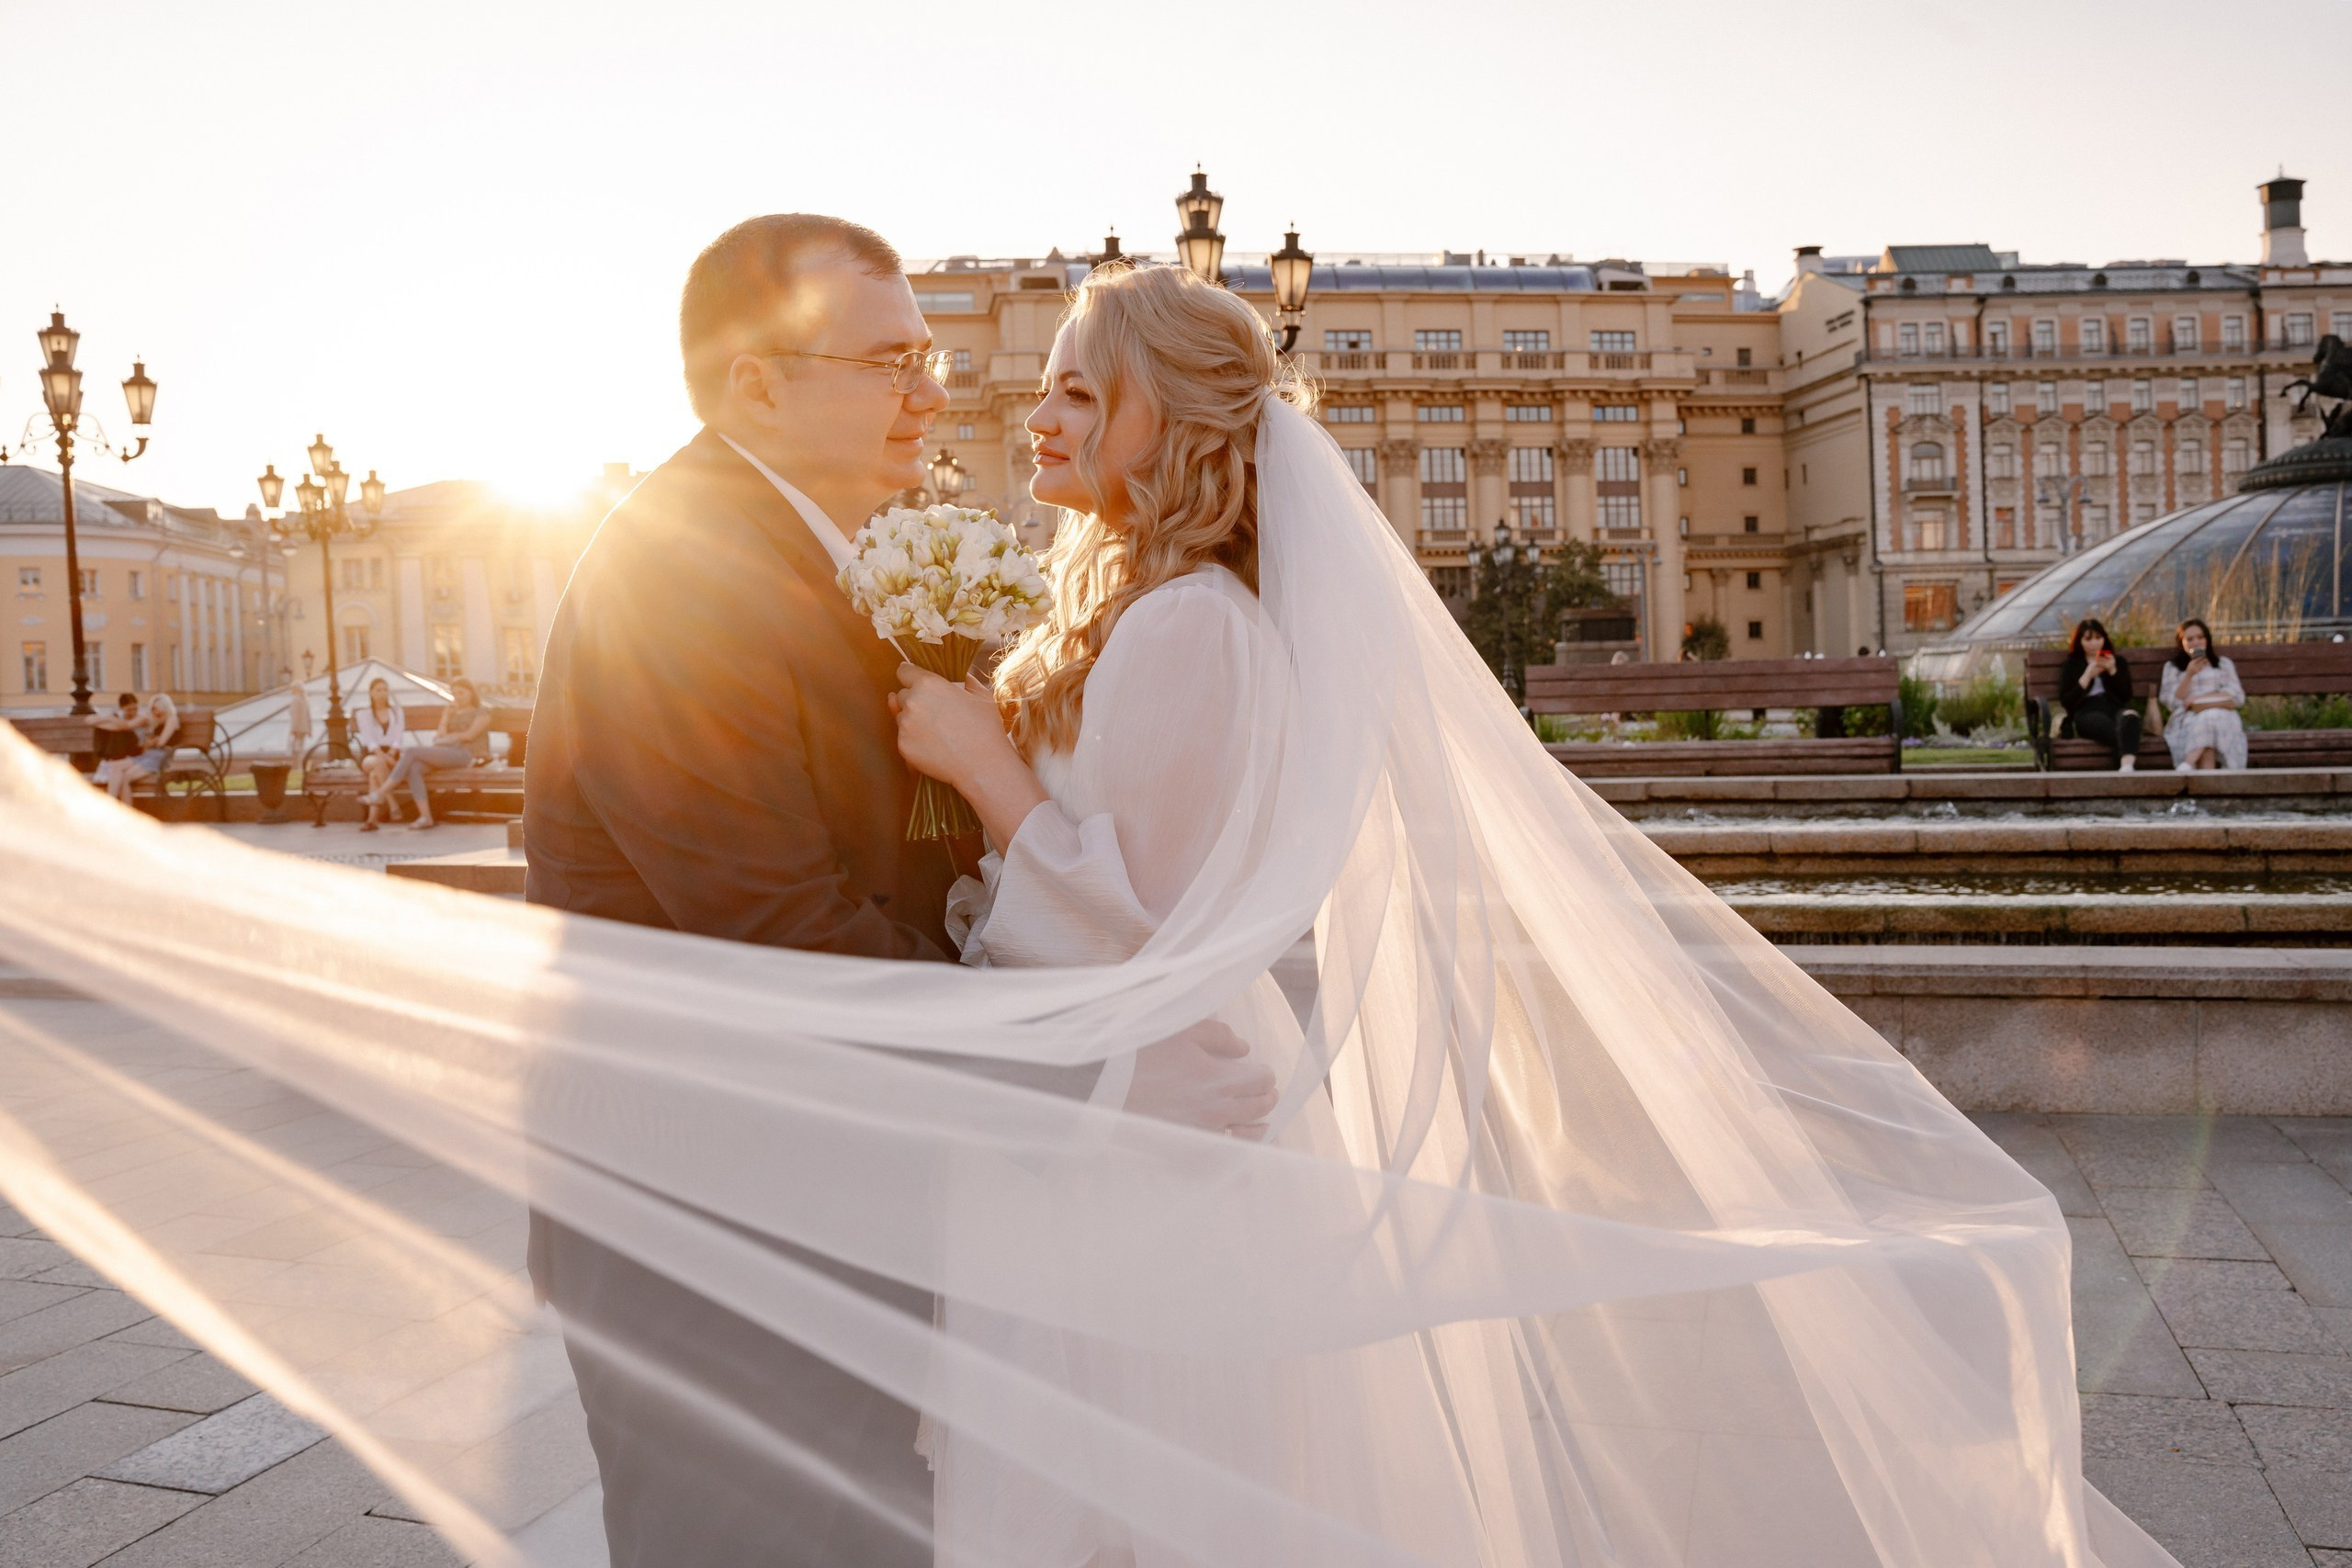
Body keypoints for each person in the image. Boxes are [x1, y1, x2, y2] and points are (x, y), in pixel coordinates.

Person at [882, 263, 2180, 1568]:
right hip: (1136, 1114)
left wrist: (985, 769)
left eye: (1075, 389)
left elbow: (1151, 941)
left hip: (1139, 1138)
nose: (1036, 414)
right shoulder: (1171, 612)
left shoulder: (1186, 627)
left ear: (1166, 414)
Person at [521, 215, 1273, 1568]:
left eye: (929, 354)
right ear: (757, 383)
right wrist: (1088, 1074)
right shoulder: (677, 571)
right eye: (890, 361)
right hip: (716, 1227)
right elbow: (779, 922)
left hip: (836, 1197)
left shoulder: (826, 547)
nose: (936, 390)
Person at [371, 677, 490, 829]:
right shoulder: (451, 711)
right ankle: (425, 817)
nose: (458, 697)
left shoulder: (482, 712)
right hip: (447, 754)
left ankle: (381, 793)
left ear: (471, 693)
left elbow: (469, 735)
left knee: (411, 751)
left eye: (462, 693)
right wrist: (447, 715)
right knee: (414, 768)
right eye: (455, 694)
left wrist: (450, 736)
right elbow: (439, 735)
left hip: (466, 755)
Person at [2161, 616, 2247, 770]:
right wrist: (2188, 675)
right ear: (2182, 643)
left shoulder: (2223, 664)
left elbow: (2237, 697)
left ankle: (2188, 764)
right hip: (2188, 716)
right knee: (2207, 732)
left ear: (2207, 639)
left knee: (2211, 717)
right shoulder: (2173, 667)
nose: (2196, 642)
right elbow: (2171, 702)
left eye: (2200, 637)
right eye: (2190, 639)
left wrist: (2199, 698)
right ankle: (2208, 786)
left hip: (2223, 713)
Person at [2058, 616, 2143, 770]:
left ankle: (2127, 768)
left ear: (2104, 638)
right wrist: (2087, 676)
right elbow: (2067, 701)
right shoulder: (2071, 664)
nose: (2094, 643)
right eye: (2088, 639)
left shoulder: (2117, 661)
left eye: (2098, 638)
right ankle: (2125, 767)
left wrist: (2113, 671)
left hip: (2113, 707)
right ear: (2080, 641)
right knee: (2114, 730)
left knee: (2130, 717)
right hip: (2087, 711)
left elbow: (2125, 696)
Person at [351, 678, 406, 830]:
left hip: (392, 753)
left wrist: (391, 755)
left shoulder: (397, 712)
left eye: (385, 690)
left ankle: (372, 820)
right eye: (378, 690)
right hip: (371, 755)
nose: (382, 694)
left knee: (375, 774)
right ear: (371, 693)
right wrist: (385, 758)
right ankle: (393, 803)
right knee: (377, 763)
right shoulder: (364, 714)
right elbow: (370, 742)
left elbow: (398, 738)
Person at [107, 693, 178, 802]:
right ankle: (110, 804)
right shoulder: (155, 722)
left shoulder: (172, 719)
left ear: (166, 708)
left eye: (160, 709)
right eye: (153, 709)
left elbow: (161, 743)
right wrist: (148, 742)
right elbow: (146, 743)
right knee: (115, 768)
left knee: (125, 778)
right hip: (147, 755)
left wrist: (151, 743)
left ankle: (121, 811)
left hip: (159, 757)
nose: (156, 712)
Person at [91, 693, 142, 788]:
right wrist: (110, 719)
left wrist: (112, 720)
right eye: (129, 710)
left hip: (136, 754)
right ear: (121, 708)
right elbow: (90, 720)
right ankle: (110, 761)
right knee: (102, 730)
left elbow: (125, 727)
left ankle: (110, 761)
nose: (133, 712)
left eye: (135, 709)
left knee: (117, 733)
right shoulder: (117, 716)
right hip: (122, 753)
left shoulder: (140, 718)